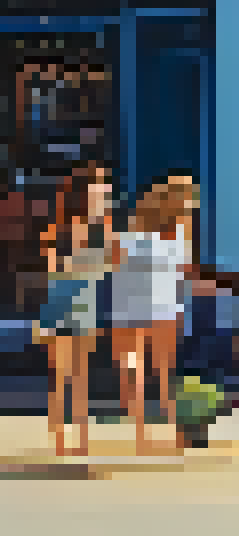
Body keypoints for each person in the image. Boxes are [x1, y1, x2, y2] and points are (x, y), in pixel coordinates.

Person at [109, 175, 199, 455]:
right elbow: (183, 274)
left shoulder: (127, 236)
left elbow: (115, 269)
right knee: (163, 373)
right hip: (163, 307)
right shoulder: (180, 234)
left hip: (131, 308)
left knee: (135, 371)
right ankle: (172, 434)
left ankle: (141, 436)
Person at [38, 165, 113, 457]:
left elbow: (104, 267)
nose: (104, 193)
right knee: (64, 375)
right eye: (100, 187)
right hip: (67, 302)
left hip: (80, 303)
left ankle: (77, 440)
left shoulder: (94, 227)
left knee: (76, 375)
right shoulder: (66, 229)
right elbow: (54, 270)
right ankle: (63, 440)